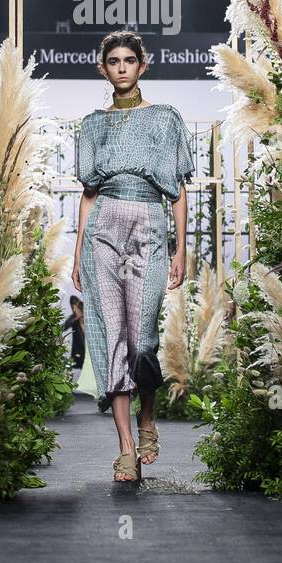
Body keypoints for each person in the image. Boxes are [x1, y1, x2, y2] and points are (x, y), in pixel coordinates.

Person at [72, 30, 194, 482]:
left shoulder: (165, 119)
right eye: (113, 61)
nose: (121, 67)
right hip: (102, 229)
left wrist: (181, 248)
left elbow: (178, 191)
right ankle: (126, 448)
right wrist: (78, 249)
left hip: (148, 223)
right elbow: (87, 195)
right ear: (102, 68)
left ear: (144, 65)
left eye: (129, 60)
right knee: (111, 337)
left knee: (142, 337)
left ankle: (147, 420)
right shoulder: (92, 124)